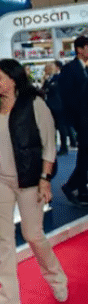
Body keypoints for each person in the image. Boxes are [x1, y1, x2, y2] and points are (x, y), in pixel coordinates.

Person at [0, 59, 68, 304]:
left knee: (33, 235)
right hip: (0, 181)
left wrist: (45, 179)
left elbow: (49, 145)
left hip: (30, 180)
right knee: (3, 239)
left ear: (13, 78)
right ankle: (7, 296)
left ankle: (57, 279)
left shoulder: (35, 103)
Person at [59, 35, 88, 206]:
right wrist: (77, 121)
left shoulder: (86, 68)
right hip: (81, 121)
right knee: (85, 155)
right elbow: (68, 97)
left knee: (84, 156)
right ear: (80, 49)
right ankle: (71, 186)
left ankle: (81, 190)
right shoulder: (69, 69)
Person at [42, 61, 71, 156]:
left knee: (61, 128)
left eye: (47, 68)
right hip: (49, 106)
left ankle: (64, 147)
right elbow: (44, 90)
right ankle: (52, 148)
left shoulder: (59, 78)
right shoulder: (47, 79)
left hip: (59, 106)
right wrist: (45, 81)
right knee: (51, 128)